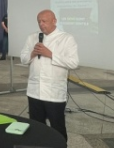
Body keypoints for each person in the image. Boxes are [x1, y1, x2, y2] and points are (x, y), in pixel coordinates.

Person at [20, 9, 79, 141]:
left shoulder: (66, 38)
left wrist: (50, 54)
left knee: (57, 127)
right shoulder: (32, 37)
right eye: (39, 21)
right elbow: (23, 59)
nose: (41, 24)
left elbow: (73, 62)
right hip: (34, 91)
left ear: (54, 21)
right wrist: (32, 54)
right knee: (36, 126)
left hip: (54, 93)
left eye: (44, 21)